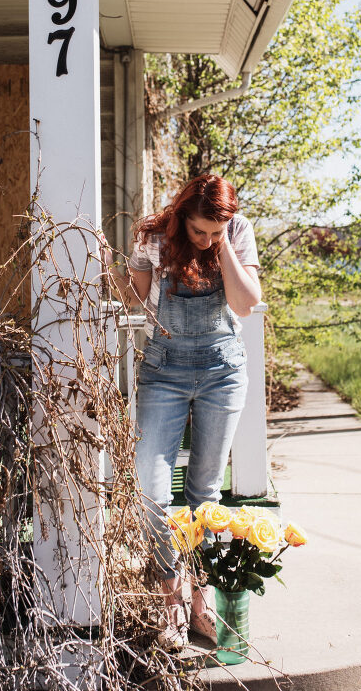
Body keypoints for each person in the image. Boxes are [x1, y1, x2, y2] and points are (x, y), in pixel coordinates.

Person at [104, 173, 261, 650]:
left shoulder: (235, 234)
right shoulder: (153, 237)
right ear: (181, 216)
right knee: (152, 492)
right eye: (199, 231)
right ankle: (169, 594)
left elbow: (245, 303)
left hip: (221, 370)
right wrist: (116, 272)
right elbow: (132, 298)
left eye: (215, 231)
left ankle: (200, 599)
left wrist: (222, 247)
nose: (206, 239)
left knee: (204, 492)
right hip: (165, 369)